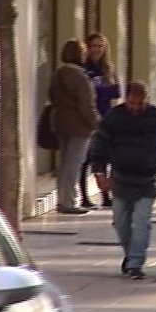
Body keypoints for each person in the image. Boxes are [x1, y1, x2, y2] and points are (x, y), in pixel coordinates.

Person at [89, 82, 156, 280]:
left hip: (147, 178)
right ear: (125, 100)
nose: (135, 107)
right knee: (120, 222)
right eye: (132, 103)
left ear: (146, 100)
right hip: (121, 177)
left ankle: (135, 263)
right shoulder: (114, 117)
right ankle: (130, 256)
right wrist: (99, 173)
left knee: (141, 222)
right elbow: (99, 145)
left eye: (140, 103)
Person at [48, 39, 100, 214]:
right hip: (79, 125)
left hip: (60, 121)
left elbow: (52, 96)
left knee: (64, 163)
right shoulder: (80, 76)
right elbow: (87, 105)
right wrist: (96, 124)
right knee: (74, 163)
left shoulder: (58, 74)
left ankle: (62, 199)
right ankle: (69, 201)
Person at [80, 32, 121, 208]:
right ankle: (83, 195)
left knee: (106, 157)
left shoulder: (108, 69)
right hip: (88, 118)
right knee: (87, 159)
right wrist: (103, 91)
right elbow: (91, 94)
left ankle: (106, 194)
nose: (97, 50)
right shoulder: (84, 68)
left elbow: (117, 91)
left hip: (107, 117)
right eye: (93, 46)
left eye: (100, 46)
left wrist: (101, 91)